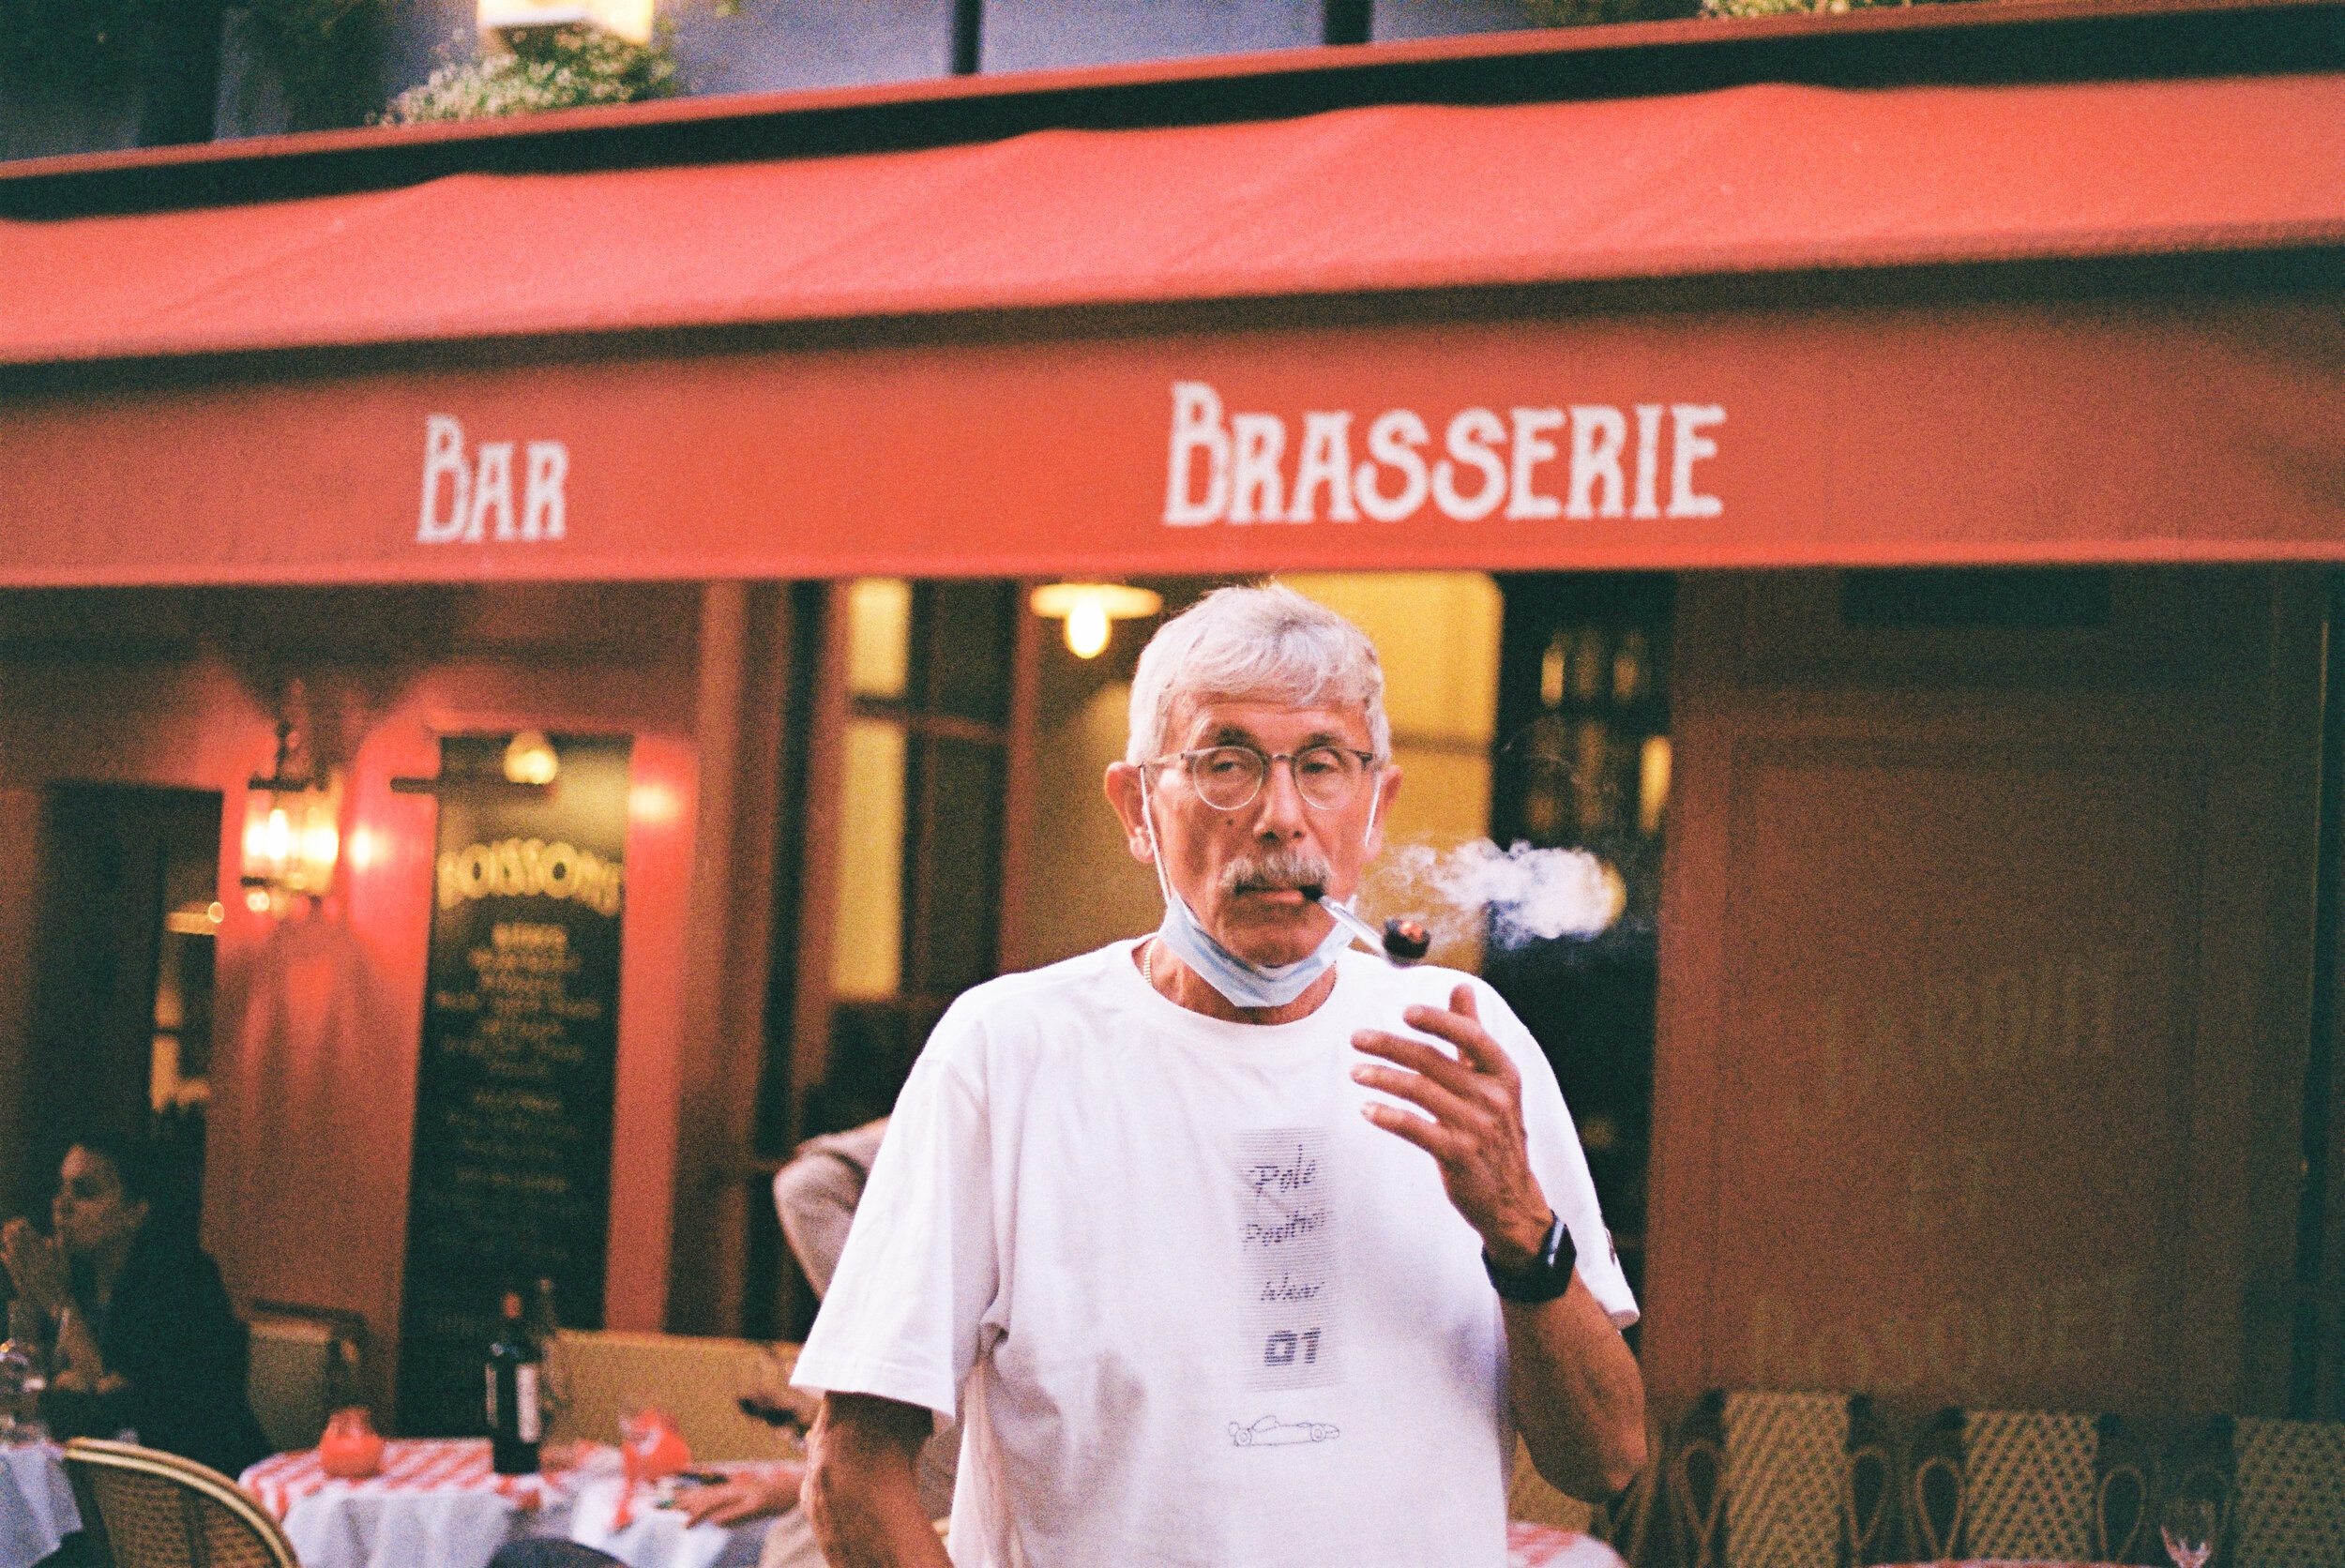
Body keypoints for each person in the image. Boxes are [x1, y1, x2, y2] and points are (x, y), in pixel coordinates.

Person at [792, 583, 1647, 1568]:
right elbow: (850, 1471)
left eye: (1322, 765)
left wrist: (1516, 1223)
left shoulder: (1462, 1040)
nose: (1280, 818)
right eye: (1226, 764)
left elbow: (1608, 1457)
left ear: (1375, 808)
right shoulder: (1010, 1049)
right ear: (1136, 806)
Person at [0, 1134, 270, 1478]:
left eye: (84, 1192)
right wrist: (28, 1301)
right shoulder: (72, 1272)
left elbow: (116, 1411)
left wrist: (59, 1303)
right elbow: (31, 1385)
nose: (61, 1205)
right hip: (102, 1479)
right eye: (62, 1189)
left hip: (194, 1484)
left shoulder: (183, 1282)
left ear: (136, 1212)